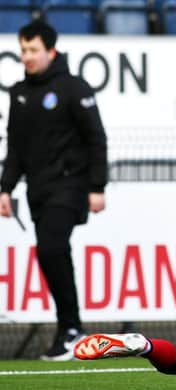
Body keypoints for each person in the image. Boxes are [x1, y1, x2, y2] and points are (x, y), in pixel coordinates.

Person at [0, 20, 107, 361]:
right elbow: (15, 148)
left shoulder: (74, 87)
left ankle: (72, 328)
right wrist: (5, 188)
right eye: (23, 50)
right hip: (39, 191)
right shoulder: (18, 93)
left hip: (70, 186)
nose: (26, 56)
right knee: (50, 251)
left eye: (33, 50)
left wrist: (96, 186)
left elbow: (96, 137)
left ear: (51, 51)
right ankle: (69, 329)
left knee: (51, 247)